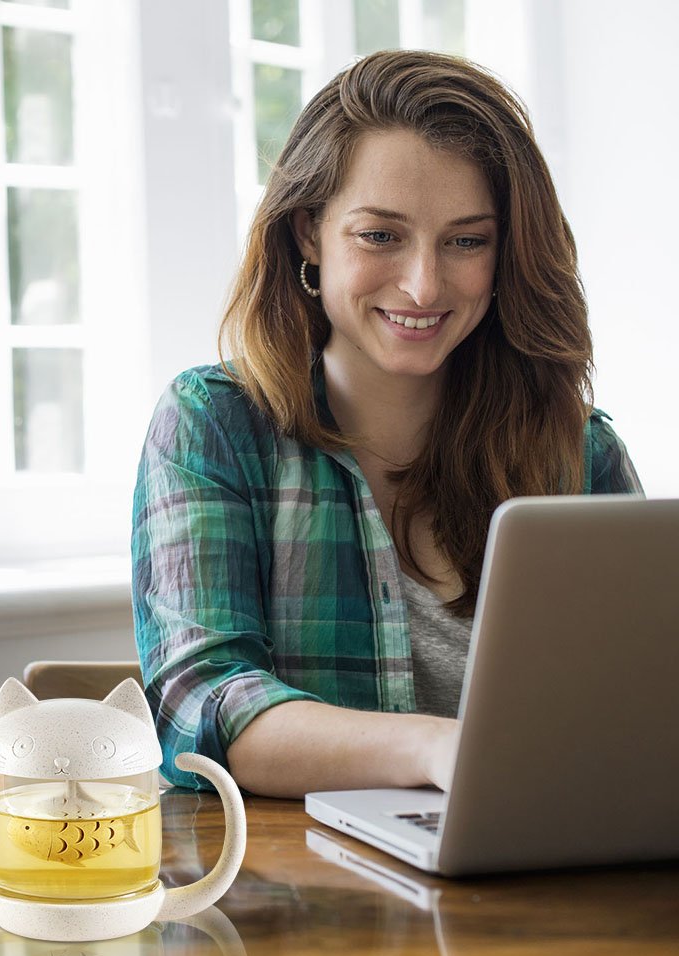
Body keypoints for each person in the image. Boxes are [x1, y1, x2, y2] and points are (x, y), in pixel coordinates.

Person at [130, 50, 641, 799]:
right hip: (296, 870)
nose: (424, 285)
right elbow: (199, 711)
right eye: (380, 236)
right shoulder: (214, 426)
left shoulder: (581, 454)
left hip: (539, 861)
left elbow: (641, 701)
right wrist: (438, 750)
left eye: (467, 241)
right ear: (309, 231)